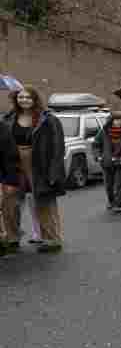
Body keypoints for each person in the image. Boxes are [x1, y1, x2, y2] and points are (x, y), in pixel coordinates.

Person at [1, 88, 66, 253]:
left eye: (28, 97)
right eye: (20, 97)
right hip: (12, 160)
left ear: (35, 99)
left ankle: (52, 240)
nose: (24, 99)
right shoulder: (8, 118)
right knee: (9, 201)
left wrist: (54, 171)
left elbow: (58, 148)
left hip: (39, 162)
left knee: (43, 200)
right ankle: (12, 238)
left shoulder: (48, 119)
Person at [94, 112, 121, 213]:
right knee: (109, 185)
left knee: (119, 184)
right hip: (107, 162)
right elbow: (96, 144)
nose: (118, 122)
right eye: (116, 120)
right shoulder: (104, 132)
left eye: (120, 120)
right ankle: (111, 201)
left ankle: (118, 204)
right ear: (111, 121)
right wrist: (98, 156)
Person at [0, 114, 19, 254]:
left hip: (2, 177)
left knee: (7, 211)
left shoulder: (3, 129)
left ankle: (6, 240)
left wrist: (10, 180)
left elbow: (10, 156)